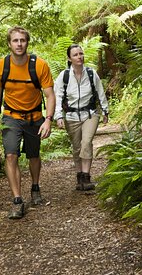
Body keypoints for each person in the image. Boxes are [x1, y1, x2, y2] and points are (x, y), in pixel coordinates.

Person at [0, 26, 55, 219]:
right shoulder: (1, 66)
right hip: (11, 117)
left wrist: (48, 120)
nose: (19, 44)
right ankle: (17, 200)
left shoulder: (40, 65)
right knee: (11, 155)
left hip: (35, 117)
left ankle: (35, 187)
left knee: (33, 156)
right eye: (15, 41)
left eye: (22, 40)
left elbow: (50, 94)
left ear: (27, 42)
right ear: (9, 44)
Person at [54, 44, 109, 191]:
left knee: (86, 142)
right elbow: (57, 96)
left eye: (81, 54)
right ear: (69, 58)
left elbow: (100, 92)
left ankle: (86, 177)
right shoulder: (64, 76)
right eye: (75, 55)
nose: (79, 57)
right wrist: (58, 115)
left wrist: (105, 111)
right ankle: (79, 176)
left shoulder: (91, 73)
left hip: (90, 114)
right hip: (71, 116)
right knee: (77, 147)